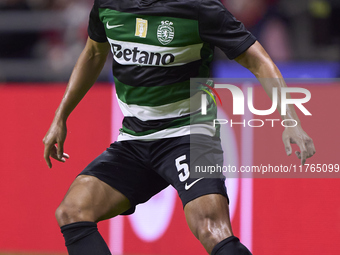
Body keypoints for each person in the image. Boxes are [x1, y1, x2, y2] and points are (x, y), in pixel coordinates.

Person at [43, 0, 316, 254]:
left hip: (189, 134)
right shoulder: (110, 4)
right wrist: (60, 115)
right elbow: (93, 53)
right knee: (71, 211)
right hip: (133, 140)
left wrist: (290, 119)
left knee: (212, 230)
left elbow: (259, 60)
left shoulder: (198, 7)